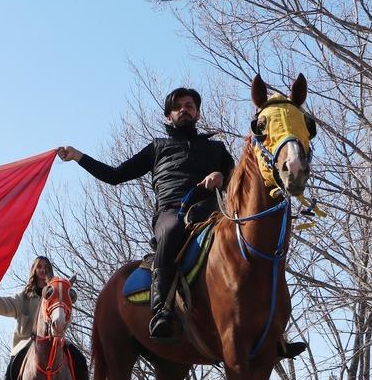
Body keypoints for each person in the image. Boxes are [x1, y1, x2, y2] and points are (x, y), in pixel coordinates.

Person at [57, 87, 307, 358]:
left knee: (255, 241)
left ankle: (274, 329)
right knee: (173, 230)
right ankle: (162, 309)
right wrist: (78, 156)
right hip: (172, 213)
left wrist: (221, 177)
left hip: (212, 214)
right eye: (178, 107)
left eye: (189, 105)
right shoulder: (157, 148)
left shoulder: (216, 149)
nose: (184, 109)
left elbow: (241, 183)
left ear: (197, 113)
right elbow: (115, 175)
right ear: (169, 116)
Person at [0, 256, 91, 380]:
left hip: (55, 339)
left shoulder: (56, 292)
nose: (42, 270)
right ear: (34, 270)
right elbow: (8, 305)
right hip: (28, 341)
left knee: (80, 359)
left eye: (46, 267)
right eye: (39, 267)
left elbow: (66, 309)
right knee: (13, 366)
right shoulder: (25, 296)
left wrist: (61, 327)